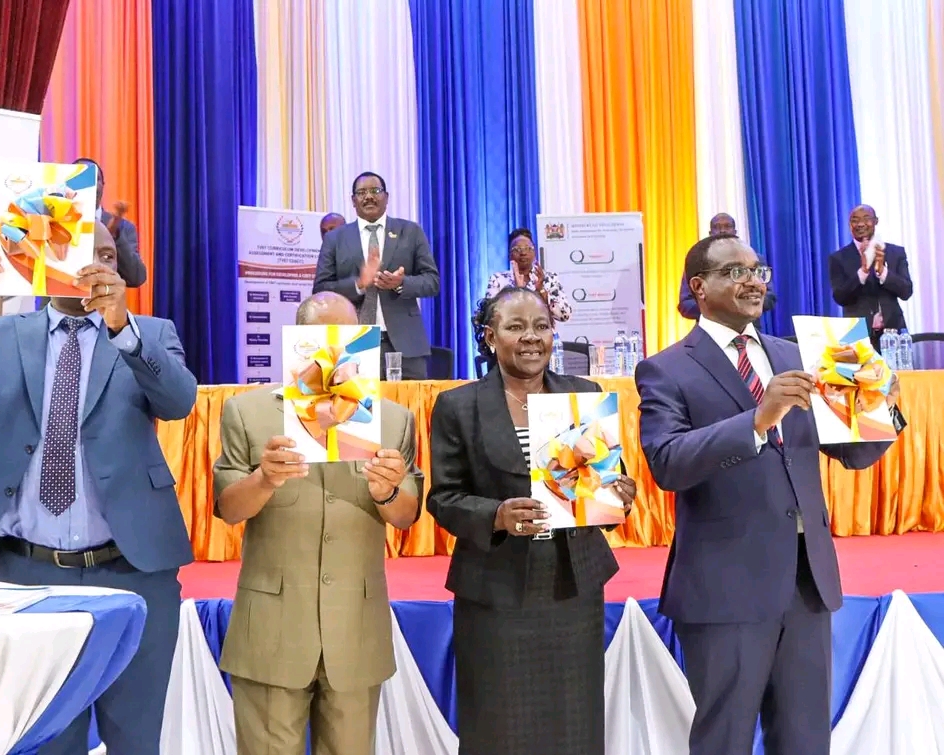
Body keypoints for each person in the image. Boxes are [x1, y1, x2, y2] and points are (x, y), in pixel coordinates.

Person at [0, 221, 197, 754]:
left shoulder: (150, 333)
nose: (94, 266)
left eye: (108, 255)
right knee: (46, 738)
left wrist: (124, 331)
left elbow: (178, 403)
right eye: (79, 253)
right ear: (42, 264)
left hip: (133, 573)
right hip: (26, 576)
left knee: (135, 739)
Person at [636, 234, 903, 755]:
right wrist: (757, 420)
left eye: (758, 269)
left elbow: (851, 454)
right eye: (735, 272)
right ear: (700, 286)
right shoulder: (666, 368)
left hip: (807, 583)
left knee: (806, 741)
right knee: (725, 741)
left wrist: (883, 413)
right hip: (726, 588)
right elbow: (668, 462)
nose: (753, 280)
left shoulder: (799, 355)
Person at [427, 286, 637, 754]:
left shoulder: (584, 395)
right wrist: (496, 515)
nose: (531, 337)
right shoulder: (459, 406)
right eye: (515, 327)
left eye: (541, 326)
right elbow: (444, 498)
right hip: (495, 588)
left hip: (573, 585)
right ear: (490, 337)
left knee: (574, 725)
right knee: (498, 727)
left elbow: (605, 489)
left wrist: (620, 495)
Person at [213, 291, 424, 755]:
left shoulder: (392, 420)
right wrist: (263, 479)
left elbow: (408, 515)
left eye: (346, 336)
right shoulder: (247, 413)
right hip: (272, 633)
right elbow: (228, 508)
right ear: (298, 342)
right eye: (318, 337)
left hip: (356, 633)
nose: (332, 348)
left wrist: (387, 491)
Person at [313, 171, 440, 380]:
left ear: (386, 197)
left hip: (405, 345)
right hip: (352, 344)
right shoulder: (336, 239)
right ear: (353, 200)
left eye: (375, 191)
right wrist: (358, 284)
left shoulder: (410, 231)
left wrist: (401, 283)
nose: (369, 196)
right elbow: (320, 290)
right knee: (358, 411)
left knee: (410, 408)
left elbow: (432, 282)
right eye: (362, 192)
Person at [828, 204, 913, 350]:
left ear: (876, 221)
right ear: (849, 225)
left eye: (866, 219)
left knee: (900, 373)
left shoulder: (895, 253)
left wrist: (883, 272)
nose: (860, 224)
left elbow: (906, 292)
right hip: (857, 337)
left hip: (894, 335)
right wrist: (863, 272)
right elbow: (840, 297)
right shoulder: (838, 258)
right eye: (855, 220)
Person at [678, 213, 776, 320]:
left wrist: (745, 302)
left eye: (727, 226)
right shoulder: (697, 262)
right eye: (717, 227)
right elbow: (685, 305)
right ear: (710, 233)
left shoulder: (755, 259)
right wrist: (722, 307)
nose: (722, 231)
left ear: (735, 232)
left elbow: (770, 296)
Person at [73, 157, 148, 288]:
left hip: (103, 306)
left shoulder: (123, 228)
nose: (90, 185)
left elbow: (136, 277)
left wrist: (113, 236)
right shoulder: (51, 222)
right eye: (83, 178)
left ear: (103, 185)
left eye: (95, 179)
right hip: (58, 306)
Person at [483, 228, 572, 322]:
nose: (523, 253)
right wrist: (518, 292)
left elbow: (564, 315)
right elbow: (489, 316)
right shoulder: (498, 280)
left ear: (534, 253)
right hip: (512, 335)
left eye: (528, 248)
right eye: (517, 249)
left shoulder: (549, 278)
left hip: (543, 334)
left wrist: (542, 291)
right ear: (509, 255)